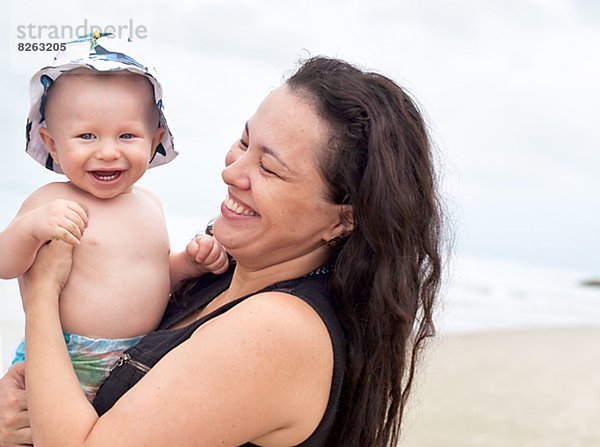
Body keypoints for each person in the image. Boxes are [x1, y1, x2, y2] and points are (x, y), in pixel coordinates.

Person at [0, 56, 443, 446]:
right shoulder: (219, 275)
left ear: (343, 218)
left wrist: (40, 294)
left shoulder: (278, 330)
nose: (232, 171)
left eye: (269, 168)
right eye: (245, 142)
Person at [0, 33, 228, 401]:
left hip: (135, 359)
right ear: (52, 142)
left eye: (127, 135)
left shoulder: (150, 205)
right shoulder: (50, 201)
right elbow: (5, 264)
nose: (108, 152)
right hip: (65, 356)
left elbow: (149, 274)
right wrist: (31, 228)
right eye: (87, 136)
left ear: (155, 140)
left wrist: (189, 263)